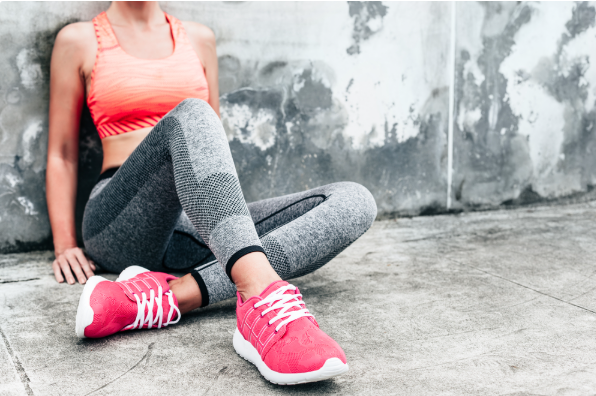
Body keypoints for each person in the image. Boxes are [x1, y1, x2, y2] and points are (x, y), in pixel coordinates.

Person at [47, 1, 377, 385]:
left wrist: (226, 221)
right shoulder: (79, 40)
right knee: (192, 113)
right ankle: (259, 293)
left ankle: (173, 296)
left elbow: (211, 146)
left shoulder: (199, 38)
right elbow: (63, 154)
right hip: (123, 218)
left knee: (355, 201)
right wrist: (64, 243)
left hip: (194, 219)